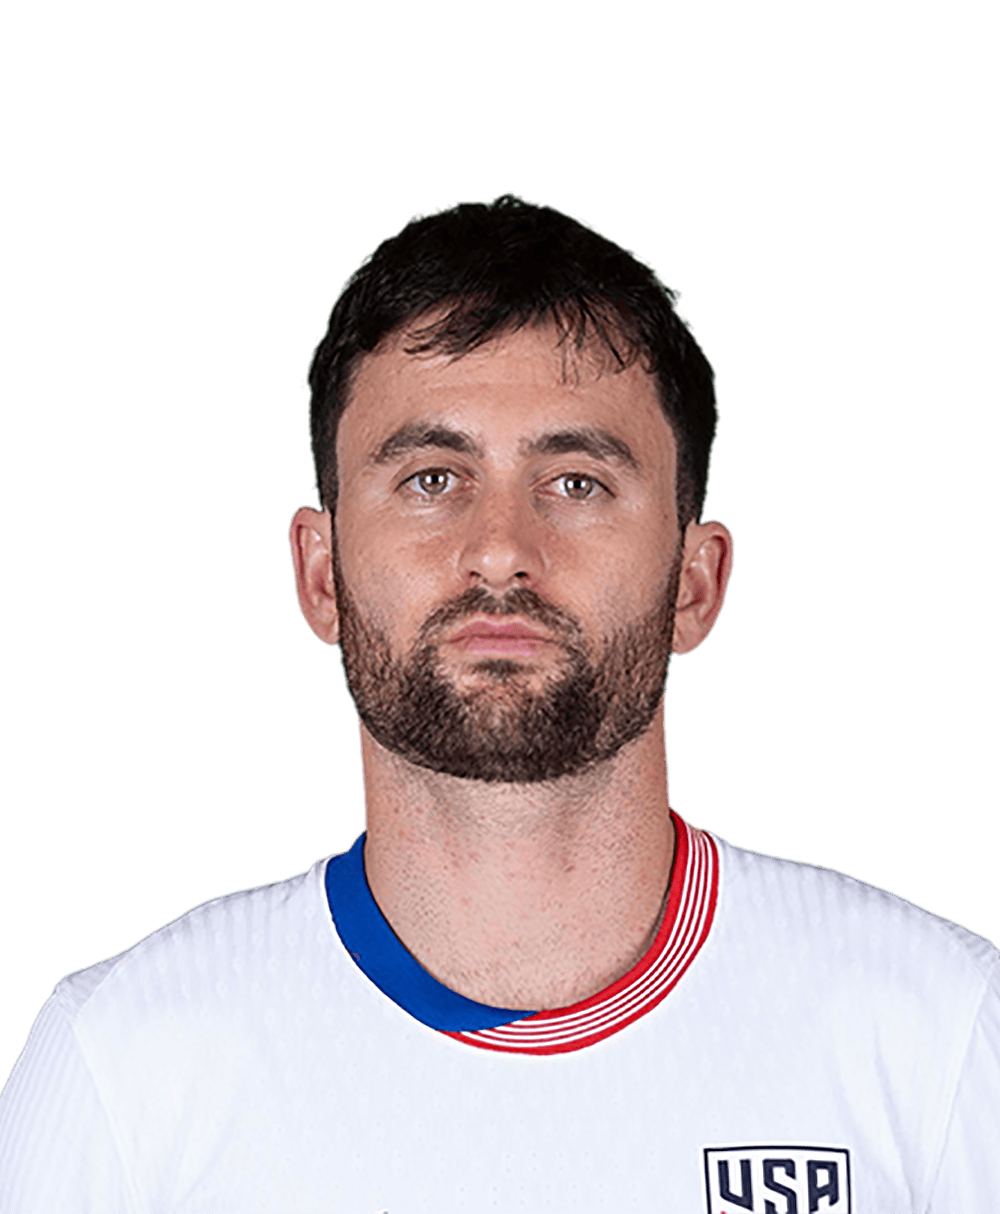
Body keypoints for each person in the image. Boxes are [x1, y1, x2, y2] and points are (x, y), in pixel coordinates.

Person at [1, 194, 997, 1214]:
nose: (500, 551)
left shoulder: (942, 1038)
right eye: (432, 478)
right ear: (321, 573)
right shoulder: (125, 1069)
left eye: (576, 482)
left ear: (694, 584)